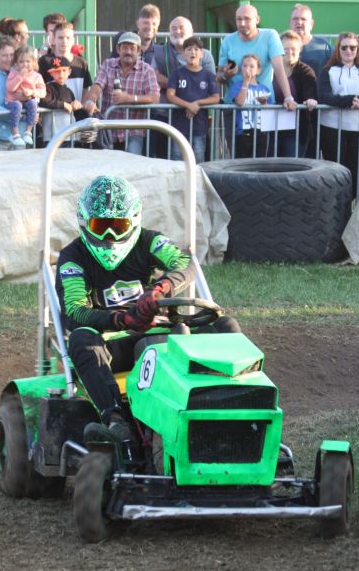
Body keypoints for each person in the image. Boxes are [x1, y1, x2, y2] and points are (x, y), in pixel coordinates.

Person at [56, 175, 239, 445]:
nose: (110, 236)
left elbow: (185, 263)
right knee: (82, 338)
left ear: (134, 221)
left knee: (226, 325)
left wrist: (159, 290)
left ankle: (233, 406)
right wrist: (122, 318)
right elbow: (74, 310)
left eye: (119, 226)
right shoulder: (73, 257)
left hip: (162, 334)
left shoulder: (150, 241)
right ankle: (115, 419)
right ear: (85, 223)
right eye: (101, 226)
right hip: (112, 345)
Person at [318, 32, 359, 193]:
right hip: (332, 128)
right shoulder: (328, 70)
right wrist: (347, 100)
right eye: (344, 47)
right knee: (335, 173)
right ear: (338, 49)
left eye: (352, 47)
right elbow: (324, 95)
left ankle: (354, 210)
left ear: (358, 49)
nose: (348, 51)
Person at [82, 31, 159, 154]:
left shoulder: (147, 70)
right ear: (118, 49)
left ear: (139, 51)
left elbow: (155, 97)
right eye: (124, 47)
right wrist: (91, 100)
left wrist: (130, 99)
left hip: (134, 130)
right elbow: (97, 85)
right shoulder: (108, 64)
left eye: (132, 48)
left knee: (131, 163)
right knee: (106, 164)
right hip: (108, 127)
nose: (128, 51)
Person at [218, 4, 296, 107]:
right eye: (239, 19)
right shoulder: (228, 41)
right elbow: (219, 76)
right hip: (233, 106)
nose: (242, 23)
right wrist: (226, 75)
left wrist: (288, 97)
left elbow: (279, 68)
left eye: (247, 19)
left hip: (262, 104)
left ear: (257, 19)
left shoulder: (270, 36)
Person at [165, 36, 220, 162]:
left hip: (199, 126)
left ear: (202, 54)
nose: (193, 52)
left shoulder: (208, 75)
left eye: (196, 49)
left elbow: (216, 98)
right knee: (177, 157)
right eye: (189, 49)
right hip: (179, 125)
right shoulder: (176, 73)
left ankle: (197, 182)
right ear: (183, 54)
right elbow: (170, 95)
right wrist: (188, 105)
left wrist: (197, 103)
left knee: (199, 157)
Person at [273, 31, 318, 157]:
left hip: (297, 129)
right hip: (271, 127)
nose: (290, 52)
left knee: (292, 165)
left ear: (300, 50)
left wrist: (310, 99)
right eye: (285, 49)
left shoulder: (306, 71)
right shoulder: (270, 69)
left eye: (293, 49)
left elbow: (310, 91)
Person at [229, 53, 271, 159]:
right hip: (243, 133)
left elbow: (269, 111)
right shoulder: (237, 85)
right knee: (242, 163)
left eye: (252, 66)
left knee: (259, 163)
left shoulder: (264, 89)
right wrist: (246, 83)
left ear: (258, 70)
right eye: (244, 66)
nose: (248, 68)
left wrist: (264, 103)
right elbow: (239, 102)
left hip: (261, 132)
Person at [4, 45, 46, 148]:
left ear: (33, 62)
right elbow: (10, 88)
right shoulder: (13, 73)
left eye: (28, 61)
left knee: (33, 103)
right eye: (21, 62)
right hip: (13, 101)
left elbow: (43, 92)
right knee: (17, 106)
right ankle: (15, 133)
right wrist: (20, 77)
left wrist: (32, 92)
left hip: (28, 100)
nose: (25, 65)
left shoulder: (37, 76)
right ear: (16, 63)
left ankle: (28, 132)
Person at [39, 56, 80, 145]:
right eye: (57, 71)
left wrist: (75, 104)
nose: (60, 74)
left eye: (64, 70)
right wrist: (63, 105)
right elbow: (44, 101)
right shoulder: (48, 88)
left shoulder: (69, 91)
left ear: (69, 72)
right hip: (52, 136)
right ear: (51, 73)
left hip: (68, 135)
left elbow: (73, 107)